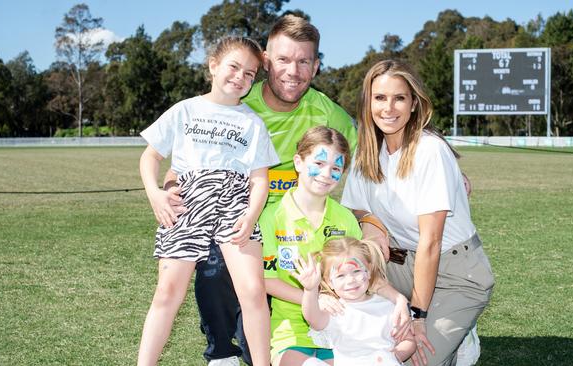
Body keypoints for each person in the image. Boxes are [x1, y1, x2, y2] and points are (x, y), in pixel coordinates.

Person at [161, 15, 358, 366]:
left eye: (303, 61)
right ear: (266, 59)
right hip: (242, 226)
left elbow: (373, 150)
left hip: (296, 232)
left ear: (315, 66)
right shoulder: (237, 104)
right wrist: (171, 189)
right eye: (283, 59)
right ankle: (221, 352)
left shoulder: (330, 115)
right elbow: (186, 161)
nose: (292, 71)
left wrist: (444, 157)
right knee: (214, 255)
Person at [341, 59, 495, 366]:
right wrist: (370, 222)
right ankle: (449, 333)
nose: (389, 108)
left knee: (413, 359)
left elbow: (431, 243)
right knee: (365, 341)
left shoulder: (430, 150)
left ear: (414, 104)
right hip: (399, 266)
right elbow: (354, 206)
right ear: (368, 102)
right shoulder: (367, 150)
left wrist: (419, 315)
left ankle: (458, 331)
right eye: (380, 98)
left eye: (399, 98)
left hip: (455, 272)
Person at [137, 36, 278, 366]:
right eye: (234, 67)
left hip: (234, 203)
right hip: (188, 201)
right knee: (167, 293)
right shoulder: (185, 109)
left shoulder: (253, 123)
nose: (240, 77)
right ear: (213, 65)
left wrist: (251, 216)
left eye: (250, 73)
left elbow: (260, 180)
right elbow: (150, 157)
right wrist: (155, 195)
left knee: (254, 292)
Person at [259, 126, 410, 366]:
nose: (326, 174)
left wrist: (398, 298)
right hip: (291, 333)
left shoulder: (345, 218)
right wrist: (313, 297)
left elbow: (365, 273)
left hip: (344, 335)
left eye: (336, 168)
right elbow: (266, 280)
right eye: (318, 164)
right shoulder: (271, 217)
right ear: (298, 162)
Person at [294, 237, 417, 366]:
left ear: (368, 271)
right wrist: (311, 290)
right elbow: (312, 317)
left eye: (356, 271)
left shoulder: (388, 306)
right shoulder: (334, 309)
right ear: (329, 282)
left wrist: (393, 356)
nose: (351, 280)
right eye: (341, 275)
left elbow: (408, 340)